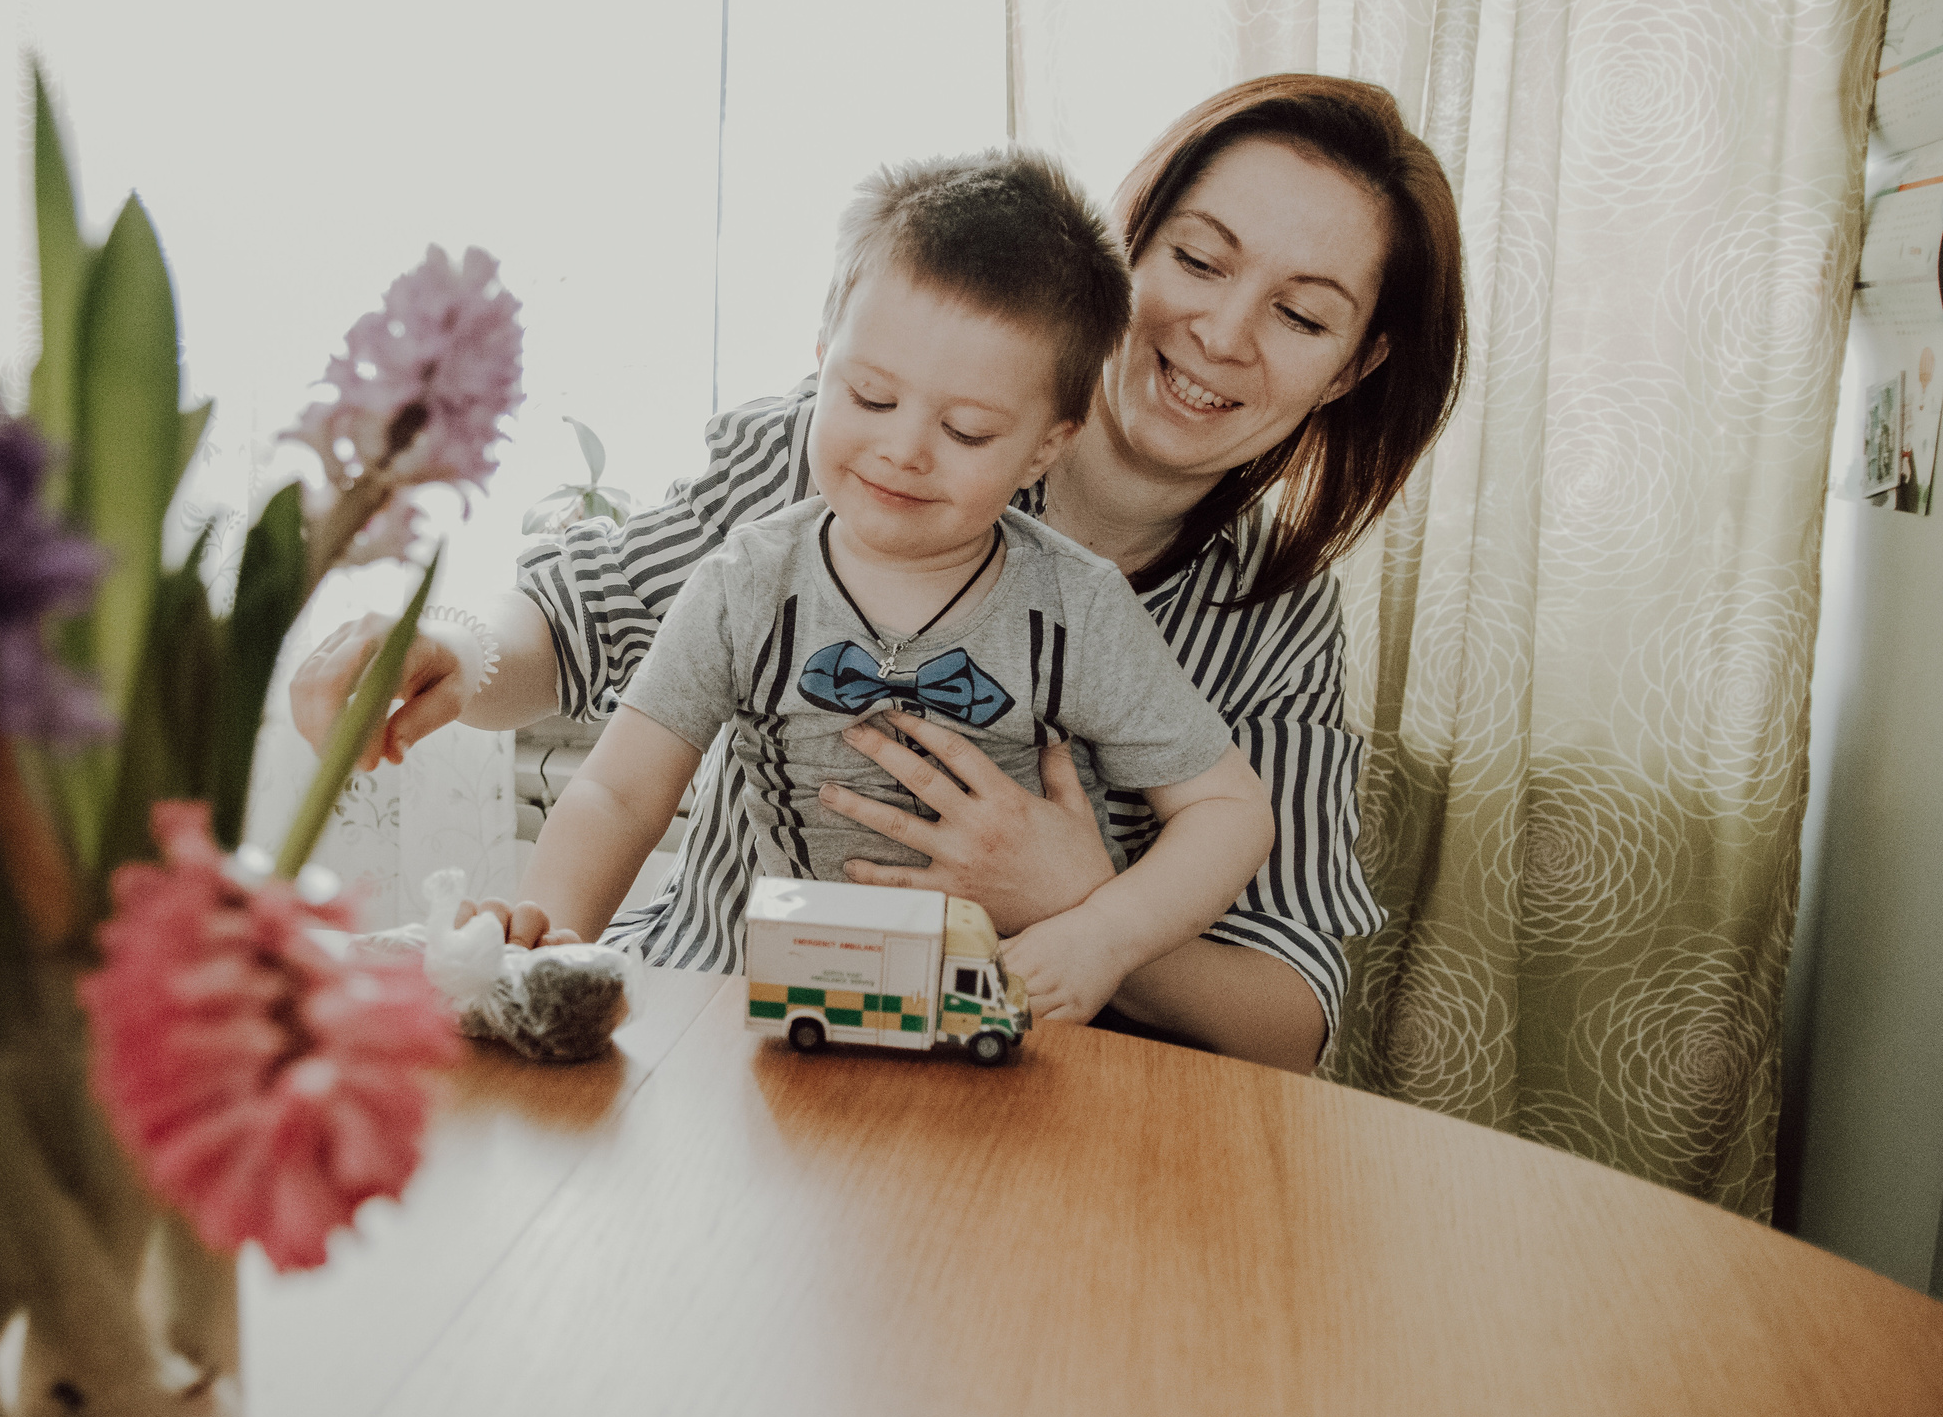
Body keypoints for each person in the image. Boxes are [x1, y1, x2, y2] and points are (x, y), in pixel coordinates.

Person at [292, 75, 1466, 1074]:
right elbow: (577, 632)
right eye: (1199, 260)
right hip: (714, 1030)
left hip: (1000, 1087)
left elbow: (1290, 1015)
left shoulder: (1239, 615)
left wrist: (1082, 907)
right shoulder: (839, 455)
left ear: (1353, 368)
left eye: (1300, 316)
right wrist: (442, 646)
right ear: (1132, 246)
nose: (1221, 331)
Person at [502, 156, 1276, 1026]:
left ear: (1044, 449)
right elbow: (619, 793)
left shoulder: (1077, 606)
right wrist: (548, 944)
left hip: (991, 1018)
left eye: (966, 429)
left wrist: (1103, 932)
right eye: (870, 397)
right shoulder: (745, 584)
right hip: (777, 1009)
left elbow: (1228, 811)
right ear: (823, 361)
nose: (904, 449)